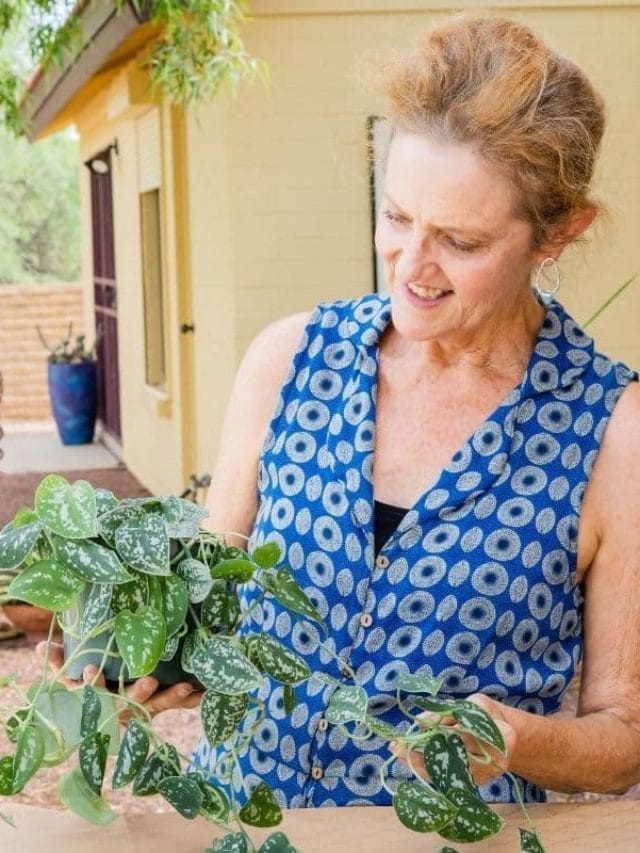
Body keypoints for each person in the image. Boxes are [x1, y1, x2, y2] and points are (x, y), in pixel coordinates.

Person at [44, 13, 640, 807]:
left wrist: (519, 739)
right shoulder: (287, 361)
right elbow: (210, 597)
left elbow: (624, 735)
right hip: (252, 824)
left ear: (557, 236)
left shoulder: (612, 431)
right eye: (396, 217)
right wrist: (142, 648)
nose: (413, 267)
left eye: (460, 241)